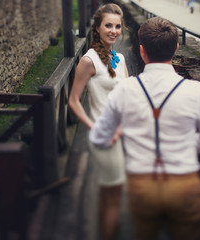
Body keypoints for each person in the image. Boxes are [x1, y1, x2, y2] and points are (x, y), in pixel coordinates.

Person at [89, 17, 200, 240]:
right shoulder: (196, 91)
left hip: (142, 184)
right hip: (185, 183)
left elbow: (99, 137)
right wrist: (186, 147)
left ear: (142, 51)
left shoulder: (124, 90)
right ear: (176, 49)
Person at [68, 3, 128, 240]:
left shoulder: (121, 58)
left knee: (108, 193)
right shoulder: (88, 60)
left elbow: (128, 96)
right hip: (105, 139)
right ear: (98, 28)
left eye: (117, 26)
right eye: (108, 25)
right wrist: (95, 128)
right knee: (115, 197)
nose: (113, 30)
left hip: (120, 134)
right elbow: (73, 101)